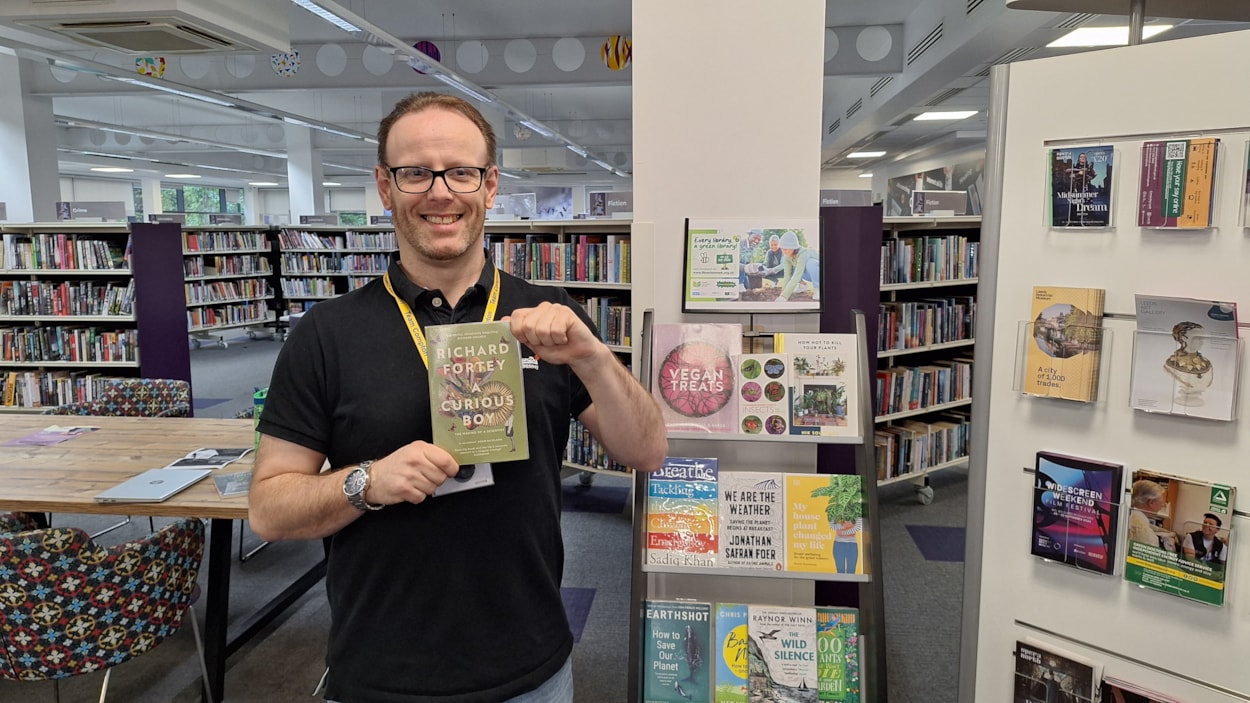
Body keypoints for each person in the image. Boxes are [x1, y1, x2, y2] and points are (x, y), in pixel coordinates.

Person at [248, 91, 668, 702]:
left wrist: (594, 357)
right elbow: (267, 508)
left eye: (461, 172)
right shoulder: (326, 333)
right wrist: (365, 483)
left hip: (532, 668)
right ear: (385, 187)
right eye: (416, 173)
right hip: (381, 673)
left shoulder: (552, 317)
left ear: (490, 184)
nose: (440, 192)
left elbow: (648, 452)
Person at [774, 231, 820, 303]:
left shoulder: (803, 253)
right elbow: (787, 275)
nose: (783, 251)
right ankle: (803, 285)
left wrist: (785, 296)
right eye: (782, 249)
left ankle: (818, 289)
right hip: (807, 274)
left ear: (793, 247)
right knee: (793, 267)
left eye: (785, 249)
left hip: (820, 274)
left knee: (810, 263)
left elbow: (797, 275)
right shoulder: (786, 256)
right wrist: (783, 293)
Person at [1127, 479, 1167, 548]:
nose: (1161, 507)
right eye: (1162, 504)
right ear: (1151, 503)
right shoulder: (1147, 536)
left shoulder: (1124, 516)